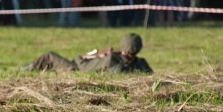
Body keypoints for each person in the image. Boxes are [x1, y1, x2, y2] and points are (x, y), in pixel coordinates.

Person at [22, 33, 153, 74]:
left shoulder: (112, 59)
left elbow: (84, 68)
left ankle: (26, 69)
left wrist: (80, 57)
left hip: (75, 68)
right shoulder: (141, 63)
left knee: (49, 55)